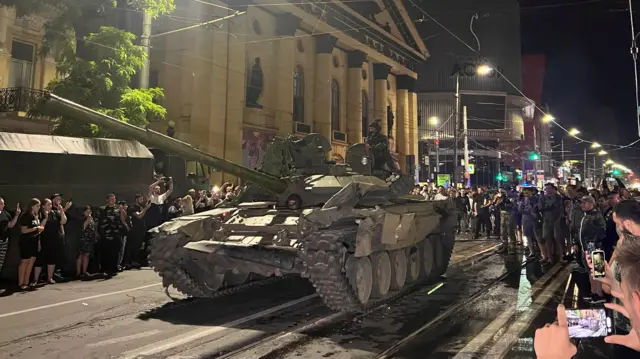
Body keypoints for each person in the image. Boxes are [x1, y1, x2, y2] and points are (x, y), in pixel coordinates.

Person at [18, 199, 47, 290]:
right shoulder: (26, 216)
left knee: (31, 261)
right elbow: (23, 230)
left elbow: (38, 230)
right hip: (26, 241)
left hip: (34, 241)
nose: (39, 208)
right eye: (37, 206)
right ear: (32, 206)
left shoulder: (36, 216)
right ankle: (21, 282)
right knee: (25, 261)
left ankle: (26, 282)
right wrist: (36, 228)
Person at [0, 197, 20, 274]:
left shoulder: (5, 214)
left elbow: (10, 225)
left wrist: (17, 215)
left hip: (3, 241)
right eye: (1, 203)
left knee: (1, 261)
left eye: (2, 204)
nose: (2, 205)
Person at [76, 205, 96, 277]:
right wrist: (88, 219)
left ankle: (84, 271)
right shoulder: (82, 219)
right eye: (87, 211)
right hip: (82, 239)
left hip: (89, 240)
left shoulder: (91, 219)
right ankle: (78, 272)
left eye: (89, 211)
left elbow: (93, 228)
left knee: (87, 255)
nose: (89, 213)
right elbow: (82, 228)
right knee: (80, 255)